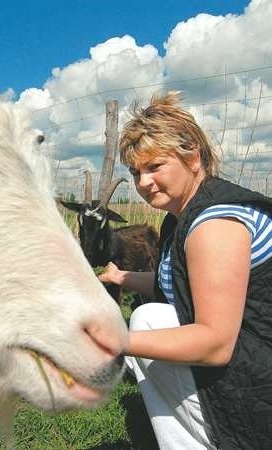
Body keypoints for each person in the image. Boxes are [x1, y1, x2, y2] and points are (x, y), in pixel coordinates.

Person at [99, 91, 272, 450]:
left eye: (154, 166)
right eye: (135, 172)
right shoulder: (180, 219)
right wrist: (120, 277)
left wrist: (113, 343)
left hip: (260, 381)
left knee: (146, 322)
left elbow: (215, 344)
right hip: (253, 356)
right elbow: (176, 284)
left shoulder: (214, 224)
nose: (143, 182)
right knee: (150, 316)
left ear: (192, 155)